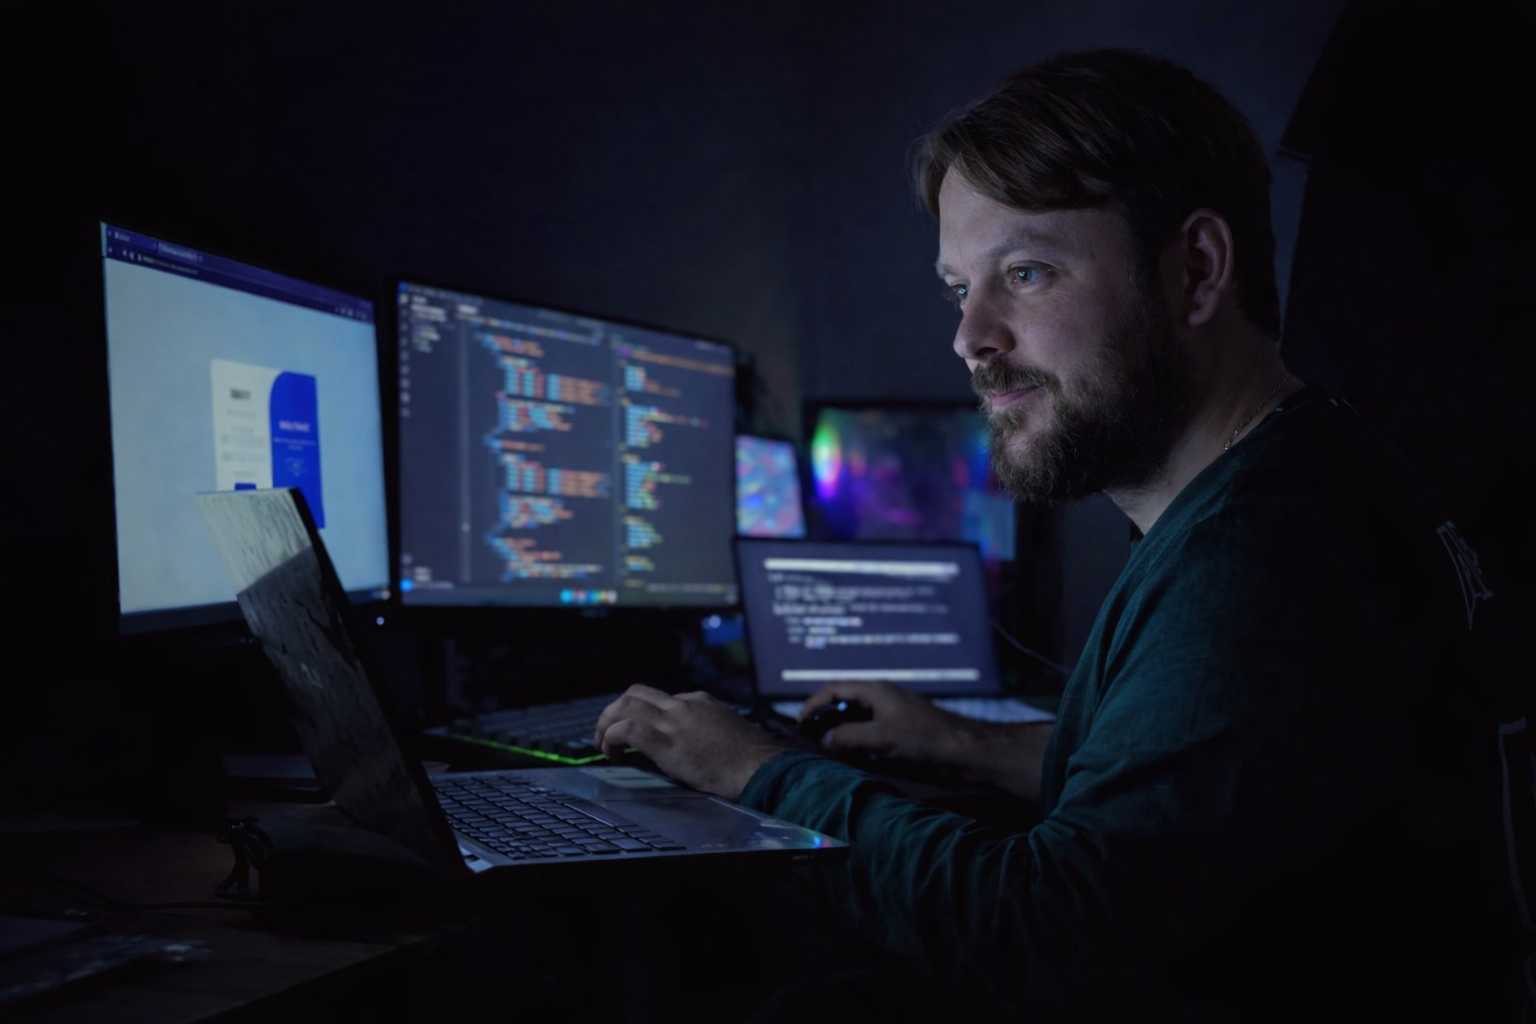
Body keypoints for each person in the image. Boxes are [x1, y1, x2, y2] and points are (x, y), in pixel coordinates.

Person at [595, 47, 1515, 1023]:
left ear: (1196, 270)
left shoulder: (1266, 550)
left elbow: (1051, 934)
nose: (971, 337)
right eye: (961, 288)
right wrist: (955, 741)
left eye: (1026, 272)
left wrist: (757, 769)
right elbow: (1213, 782)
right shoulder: (1304, 467)